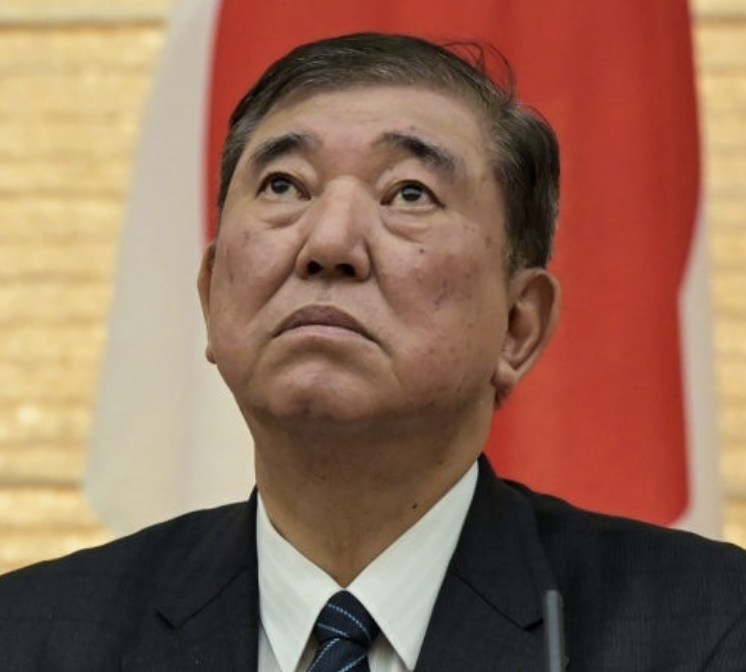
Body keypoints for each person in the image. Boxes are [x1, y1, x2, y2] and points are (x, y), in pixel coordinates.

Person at [1, 32, 745, 672]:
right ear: (211, 295)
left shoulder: (708, 628)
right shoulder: (33, 637)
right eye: (284, 185)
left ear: (518, 326)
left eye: (409, 194)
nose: (329, 243)